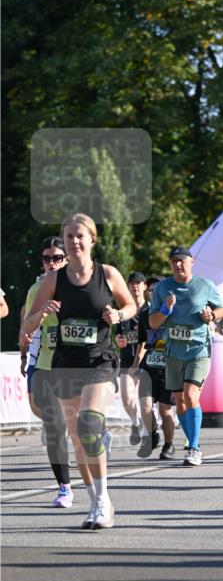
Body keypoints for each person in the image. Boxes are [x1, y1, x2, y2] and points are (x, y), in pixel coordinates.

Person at [20, 213, 136, 529]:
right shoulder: (52, 281)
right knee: (79, 439)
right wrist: (42, 313)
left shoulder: (108, 275)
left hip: (100, 361)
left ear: (92, 239)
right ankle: (97, 501)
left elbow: (131, 306)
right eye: (69, 236)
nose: (74, 242)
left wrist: (118, 314)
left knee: (87, 425)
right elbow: (28, 324)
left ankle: (102, 502)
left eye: (79, 236)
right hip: (66, 365)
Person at [149, 247, 223, 467]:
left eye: (182, 260)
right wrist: (165, 309)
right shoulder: (163, 288)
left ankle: (194, 447)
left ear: (192, 261)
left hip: (198, 350)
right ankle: (191, 437)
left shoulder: (205, 285)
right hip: (174, 352)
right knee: (179, 401)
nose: (178, 265)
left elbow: (221, 310)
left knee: (191, 395)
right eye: (174, 261)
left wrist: (211, 315)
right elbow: (153, 323)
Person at [21, 237, 73, 507]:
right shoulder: (36, 289)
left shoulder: (79, 285)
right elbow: (26, 326)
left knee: (74, 423)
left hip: (77, 365)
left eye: (57, 258)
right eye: (46, 259)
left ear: (66, 259)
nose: (51, 263)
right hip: (45, 364)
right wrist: (41, 314)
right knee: (54, 426)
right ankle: (65, 488)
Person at [132, 275, 176, 460]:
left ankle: (168, 445)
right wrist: (135, 364)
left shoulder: (175, 313)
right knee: (145, 406)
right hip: (149, 368)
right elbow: (142, 342)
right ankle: (152, 434)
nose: (153, 293)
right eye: (151, 290)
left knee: (165, 410)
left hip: (169, 369)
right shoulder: (144, 315)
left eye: (158, 290)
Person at [115, 271, 146, 445]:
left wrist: (138, 362)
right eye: (132, 283)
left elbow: (149, 339)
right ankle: (136, 423)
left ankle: (154, 430)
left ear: (144, 286)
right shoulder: (124, 311)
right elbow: (119, 335)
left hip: (147, 360)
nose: (135, 286)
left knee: (148, 401)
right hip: (127, 359)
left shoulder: (150, 309)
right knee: (127, 399)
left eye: (138, 283)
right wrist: (118, 339)